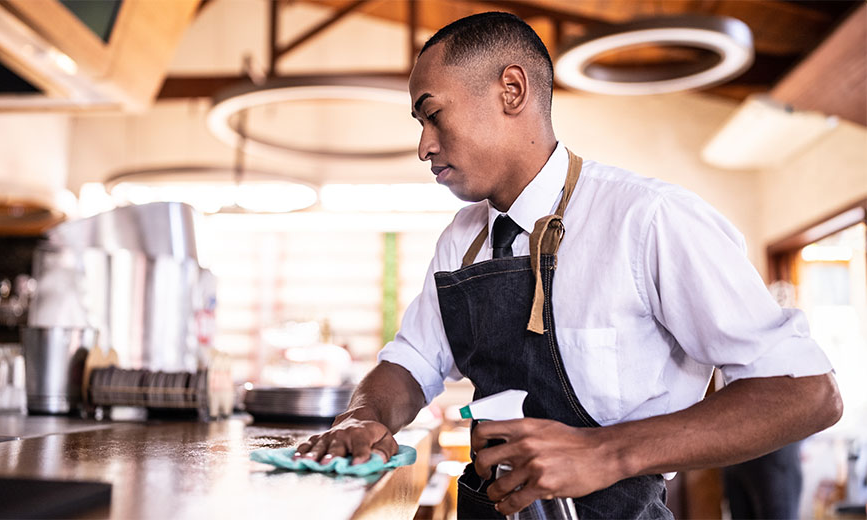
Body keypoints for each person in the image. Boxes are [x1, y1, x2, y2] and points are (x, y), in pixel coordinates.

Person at [295, 12, 842, 519]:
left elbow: (807, 392)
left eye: (433, 115)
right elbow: (411, 363)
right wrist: (361, 418)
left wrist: (605, 453)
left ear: (512, 90)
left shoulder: (649, 219)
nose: (423, 147)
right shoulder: (461, 240)